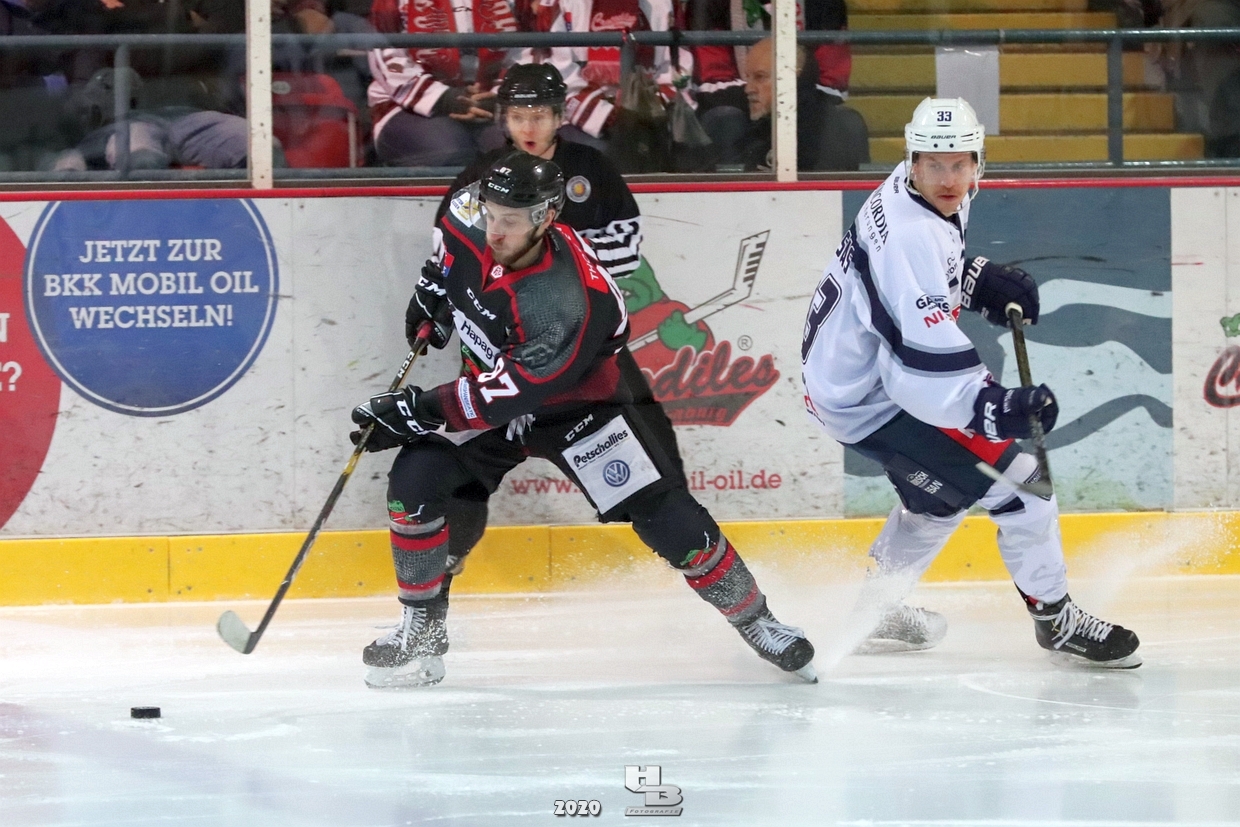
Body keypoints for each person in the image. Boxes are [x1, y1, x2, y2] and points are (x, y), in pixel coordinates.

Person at [350, 151, 817, 688]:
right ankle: (421, 632)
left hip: (573, 408)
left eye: (511, 220)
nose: (494, 229)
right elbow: (447, 256)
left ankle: (758, 621)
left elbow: (510, 394)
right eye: (491, 213)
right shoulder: (469, 210)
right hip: (496, 384)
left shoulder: (564, 300)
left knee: (662, 512)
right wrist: (433, 295)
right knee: (418, 478)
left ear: (546, 217)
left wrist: (416, 410)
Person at [800, 97, 1142, 669]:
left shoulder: (913, 194)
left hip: (843, 376)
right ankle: (1056, 620)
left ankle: (876, 610)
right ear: (912, 160)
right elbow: (917, 362)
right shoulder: (912, 233)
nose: (948, 177)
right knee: (1024, 487)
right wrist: (990, 406)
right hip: (872, 396)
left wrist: (974, 280)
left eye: (960, 163)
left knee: (937, 502)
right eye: (934, 164)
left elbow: (908, 285)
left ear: (978, 162)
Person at [434, 63, 643, 280]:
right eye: (517, 117)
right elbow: (445, 247)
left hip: (579, 296)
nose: (528, 129)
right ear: (506, 119)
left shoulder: (593, 166)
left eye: (539, 117)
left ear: (558, 118)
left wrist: (556, 256)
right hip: (503, 298)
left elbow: (629, 251)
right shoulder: (481, 174)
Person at [738, 36, 868, 172]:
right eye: (748, 78)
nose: (748, 89)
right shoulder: (755, 130)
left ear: (791, 78)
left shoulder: (827, 129)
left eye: (760, 77)